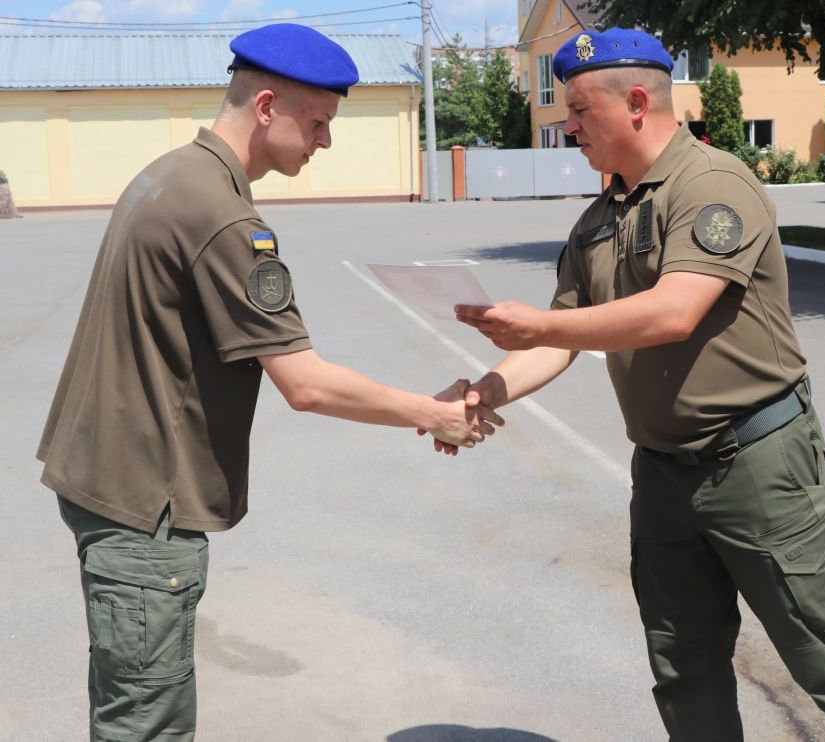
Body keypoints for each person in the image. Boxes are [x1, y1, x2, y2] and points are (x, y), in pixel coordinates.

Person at [440, 28, 825, 741]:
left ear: (636, 102)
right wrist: (486, 391)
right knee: (682, 662)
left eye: (577, 110)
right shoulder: (598, 221)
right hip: (662, 473)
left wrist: (539, 327)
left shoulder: (713, 184)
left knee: (824, 654)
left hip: (755, 462)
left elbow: (673, 311)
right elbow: (565, 338)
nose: (567, 127)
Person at [36, 23, 500, 741]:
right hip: (145, 506)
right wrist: (432, 411)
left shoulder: (172, 171)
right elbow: (305, 383)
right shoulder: (221, 215)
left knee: (126, 703)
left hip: (106, 478)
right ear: (265, 107)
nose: (325, 142)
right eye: (318, 123)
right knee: (146, 723)